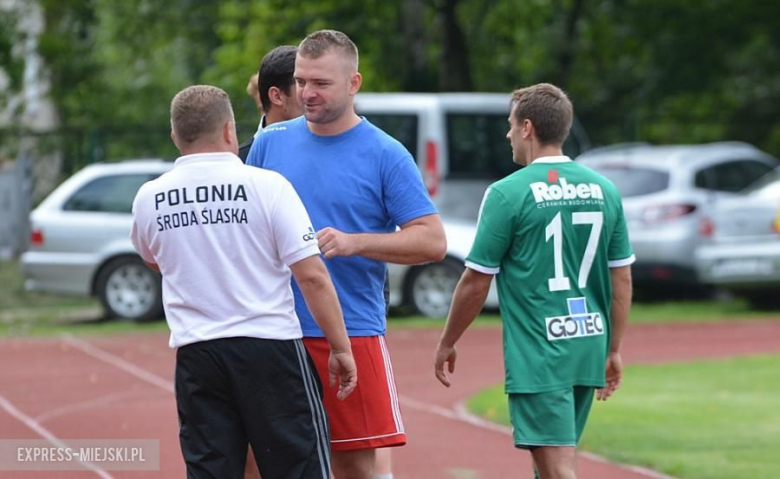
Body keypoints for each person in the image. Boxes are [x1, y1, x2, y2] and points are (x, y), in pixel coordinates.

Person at [247, 30, 447, 479]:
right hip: (273, 329)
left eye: (320, 83)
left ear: (353, 83)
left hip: (351, 330)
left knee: (355, 465)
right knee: (263, 462)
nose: (307, 93)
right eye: (300, 82)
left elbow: (432, 241)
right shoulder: (269, 143)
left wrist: (356, 241)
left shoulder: (385, 153)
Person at [130, 84, 357, 479]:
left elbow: (154, 260)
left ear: (175, 136)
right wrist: (341, 347)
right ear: (230, 132)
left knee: (211, 470)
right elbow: (312, 275)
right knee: (300, 467)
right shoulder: (268, 187)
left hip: (198, 353)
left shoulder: (149, 197)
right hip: (269, 346)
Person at [433, 83, 634, 479]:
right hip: (586, 342)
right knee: (549, 466)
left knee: (558, 469)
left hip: (542, 352)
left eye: (510, 125)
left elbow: (476, 280)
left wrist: (447, 341)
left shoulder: (507, 194)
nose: (507, 134)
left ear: (527, 128)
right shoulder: (605, 190)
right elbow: (621, 277)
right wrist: (612, 349)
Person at [239, 45, 302, 162]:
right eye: (301, 84)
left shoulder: (329, 146)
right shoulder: (240, 162)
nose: (310, 94)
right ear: (276, 96)